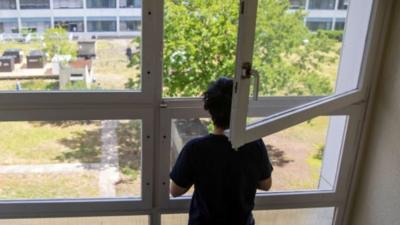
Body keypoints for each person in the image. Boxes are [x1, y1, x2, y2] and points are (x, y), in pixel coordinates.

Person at [170, 77, 273, 225]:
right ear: (242, 109)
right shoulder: (254, 144)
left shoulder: (196, 149)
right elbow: (266, 185)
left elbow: (175, 191)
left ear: (210, 108)